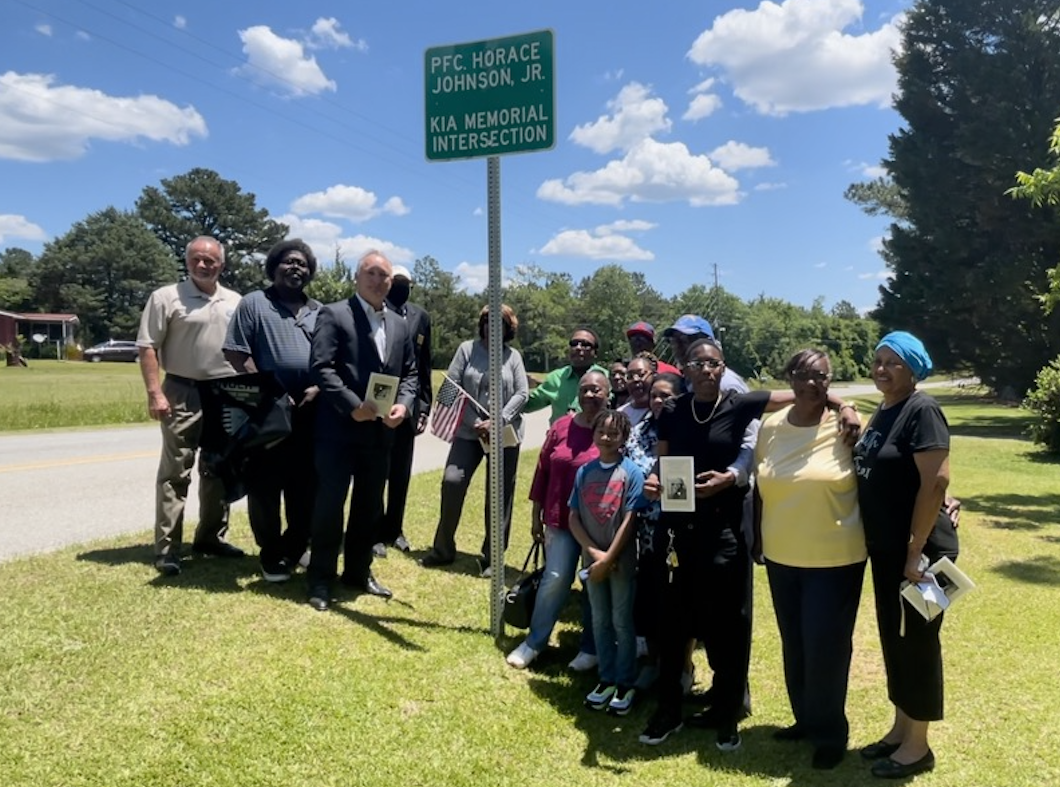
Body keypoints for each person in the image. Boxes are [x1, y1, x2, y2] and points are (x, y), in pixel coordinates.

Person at [638, 338, 859, 751]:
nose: (707, 371)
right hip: (677, 532)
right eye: (698, 364)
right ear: (684, 369)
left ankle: (727, 712)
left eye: (715, 364)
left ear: (723, 370)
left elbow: (802, 389)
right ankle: (668, 710)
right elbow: (662, 465)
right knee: (673, 625)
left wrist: (844, 405)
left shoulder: (739, 404)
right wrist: (654, 483)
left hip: (724, 533)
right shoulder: (670, 411)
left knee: (728, 627)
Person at [752, 349, 866, 770]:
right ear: (790, 378)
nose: (810, 382)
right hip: (782, 555)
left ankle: (830, 731)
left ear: (829, 380)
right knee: (795, 643)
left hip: (835, 558)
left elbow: (884, 472)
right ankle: (805, 717)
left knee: (827, 648)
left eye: (820, 375)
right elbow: (760, 485)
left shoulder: (847, 426)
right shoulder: (771, 428)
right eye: (802, 374)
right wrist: (757, 537)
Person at [853, 331, 957, 779]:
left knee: (918, 643)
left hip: (924, 557)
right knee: (894, 640)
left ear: (913, 368)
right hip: (889, 550)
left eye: (892, 362)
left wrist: (915, 554)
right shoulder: (885, 409)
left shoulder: (922, 409)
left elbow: (936, 483)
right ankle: (900, 728)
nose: (881, 369)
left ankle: (919, 746)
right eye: (877, 361)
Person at [304, 251, 418, 612]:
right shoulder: (334, 314)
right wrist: (353, 405)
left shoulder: (399, 324)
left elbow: (411, 374)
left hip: (380, 435)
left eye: (384, 276)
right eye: (371, 273)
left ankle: (358, 571)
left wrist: (404, 404)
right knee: (329, 507)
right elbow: (321, 367)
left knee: (368, 508)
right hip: (339, 431)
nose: (378, 280)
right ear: (357, 277)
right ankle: (320, 579)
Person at [137, 236, 243, 577]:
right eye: (197, 259)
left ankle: (211, 538)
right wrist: (155, 392)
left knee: (217, 469)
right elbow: (147, 346)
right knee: (175, 471)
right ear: (187, 261)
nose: (203, 265)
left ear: (221, 265)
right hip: (182, 390)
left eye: (210, 260)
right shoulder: (167, 297)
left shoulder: (236, 301)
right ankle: (167, 549)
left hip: (223, 394)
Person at [223, 239, 321, 583]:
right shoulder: (253, 304)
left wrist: (320, 387)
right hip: (267, 411)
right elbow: (236, 353)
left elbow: (332, 360)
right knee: (265, 486)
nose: (297, 268)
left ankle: (295, 547)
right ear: (274, 266)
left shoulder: (319, 311)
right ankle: (271, 554)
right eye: (289, 262)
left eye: (303, 264)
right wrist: (272, 391)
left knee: (305, 485)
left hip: (311, 411)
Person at [506, 370, 611, 671]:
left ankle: (591, 649)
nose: (591, 395)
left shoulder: (612, 429)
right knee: (554, 579)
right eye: (585, 390)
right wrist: (536, 513)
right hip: (560, 520)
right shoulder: (562, 426)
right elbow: (543, 470)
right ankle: (534, 642)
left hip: (599, 525)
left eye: (597, 390)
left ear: (608, 394)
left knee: (594, 584)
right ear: (578, 394)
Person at [420, 304, 528, 575]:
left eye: (499, 323)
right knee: (452, 481)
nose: (493, 327)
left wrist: (498, 420)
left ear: (508, 328)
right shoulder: (467, 350)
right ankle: (443, 549)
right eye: (488, 322)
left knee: (499, 494)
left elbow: (522, 393)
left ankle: (493, 557)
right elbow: (450, 388)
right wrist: (475, 423)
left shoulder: (512, 356)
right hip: (469, 432)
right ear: (482, 325)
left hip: (503, 434)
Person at [568, 409, 644, 716]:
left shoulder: (632, 473)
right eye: (602, 431)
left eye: (614, 433)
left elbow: (630, 519)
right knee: (599, 620)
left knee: (621, 622)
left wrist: (610, 556)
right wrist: (594, 554)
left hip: (621, 563)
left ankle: (625, 681)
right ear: (594, 433)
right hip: (593, 562)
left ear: (624, 437)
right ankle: (606, 678)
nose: (607, 437)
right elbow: (573, 516)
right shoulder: (584, 472)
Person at [625, 372, 684, 690]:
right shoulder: (638, 431)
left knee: (678, 601)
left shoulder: (689, 431)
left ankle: (681, 667)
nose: (659, 401)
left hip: (680, 532)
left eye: (666, 396)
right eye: (654, 395)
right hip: (644, 534)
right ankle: (651, 662)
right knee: (647, 600)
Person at [374, 264, 432, 558]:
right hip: (380, 404)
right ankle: (374, 531)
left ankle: (394, 529)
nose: (400, 286)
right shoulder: (377, 310)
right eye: (396, 281)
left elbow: (424, 365)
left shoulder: (420, 316)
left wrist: (425, 407)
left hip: (409, 407)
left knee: (400, 472)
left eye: (405, 283)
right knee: (376, 470)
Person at [523, 328, 607, 424]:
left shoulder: (606, 378)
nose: (578, 348)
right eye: (574, 343)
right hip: (561, 437)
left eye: (585, 344)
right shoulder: (555, 378)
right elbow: (526, 405)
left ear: (595, 352)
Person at [618, 354, 655, 427]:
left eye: (641, 374)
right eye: (630, 376)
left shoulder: (663, 411)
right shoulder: (620, 415)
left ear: (654, 376)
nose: (635, 379)